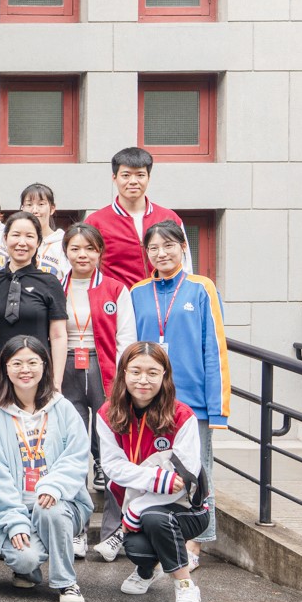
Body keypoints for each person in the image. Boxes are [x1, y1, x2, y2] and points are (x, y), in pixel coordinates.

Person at [116, 220, 229, 569]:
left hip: (193, 402)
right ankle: (155, 541)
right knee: (153, 469)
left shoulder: (201, 288)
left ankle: (193, 544)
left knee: (196, 472)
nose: (161, 253)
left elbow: (215, 348)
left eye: (168, 245)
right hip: (148, 398)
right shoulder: (137, 292)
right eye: (153, 248)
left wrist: (218, 407)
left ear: (182, 247)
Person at [96, 340, 207, 602]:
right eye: (135, 371)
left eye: (152, 372)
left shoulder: (182, 416)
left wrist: (138, 507)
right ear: (123, 373)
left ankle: (185, 586)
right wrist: (155, 478)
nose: (143, 380)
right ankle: (146, 570)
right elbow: (112, 466)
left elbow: (184, 478)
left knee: (155, 518)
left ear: (164, 376)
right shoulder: (107, 414)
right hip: (137, 505)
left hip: (186, 508)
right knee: (138, 549)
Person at [0, 335, 92, 602]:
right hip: (16, 506)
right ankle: (27, 568)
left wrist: (54, 486)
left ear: (44, 366)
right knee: (24, 558)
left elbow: (77, 455)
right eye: (17, 363)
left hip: (61, 503)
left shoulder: (62, 408)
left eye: (32, 362)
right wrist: (14, 521)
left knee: (49, 509)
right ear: (5, 368)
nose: (25, 370)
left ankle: (66, 582)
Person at [60, 222, 129, 560]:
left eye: (89, 248)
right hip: (66, 368)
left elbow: (126, 338)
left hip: (105, 370)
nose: (82, 255)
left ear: (100, 251)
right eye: (75, 248)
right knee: (73, 450)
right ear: (66, 252)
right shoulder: (56, 286)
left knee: (109, 450)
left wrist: (123, 381)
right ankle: (76, 530)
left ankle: (113, 532)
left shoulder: (116, 289)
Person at [0, 210, 69, 381]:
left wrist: (56, 382)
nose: (22, 242)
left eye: (29, 236)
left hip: (36, 374)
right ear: (5, 238)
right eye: (16, 235)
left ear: (38, 242)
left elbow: (58, 336)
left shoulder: (50, 283)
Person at [81, 147, 187, 289]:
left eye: (140, 175)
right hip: (117, 299)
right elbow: (86, 270)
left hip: (165, 298)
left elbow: (185, 265)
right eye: (126, 175)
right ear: (114, 178)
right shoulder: (95, 222)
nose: (133, 181)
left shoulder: (169, 217)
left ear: (148, 178)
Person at [20, 182, 70, 283]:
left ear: (52, 209)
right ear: (22, 208)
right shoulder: (16, 241)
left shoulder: (63, 242)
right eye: (29, 204)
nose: (34, 210)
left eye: (41, 204)